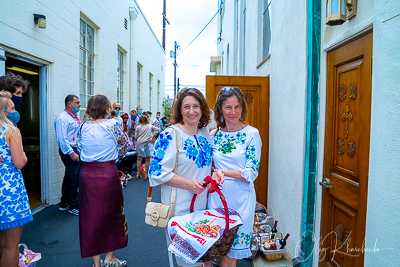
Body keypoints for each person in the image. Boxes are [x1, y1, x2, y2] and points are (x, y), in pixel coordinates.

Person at [149, 88, 213, 267]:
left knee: (203, 259)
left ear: (202, 109)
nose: (192, 111)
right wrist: (189, 184)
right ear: (180, 110)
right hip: (180, 210)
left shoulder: (205, 134)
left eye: (196, 106)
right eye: (186, 107)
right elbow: (155, 171)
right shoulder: (170, 134)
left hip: (204, 207)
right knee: (187, 262)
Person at [208, 86, 262, 267]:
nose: (233, 112)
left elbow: (251, 172)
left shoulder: (251, 134)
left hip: (241, 200)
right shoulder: (213, 135)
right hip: (217, 199)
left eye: (237, 107)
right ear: (220, 109)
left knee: (228, 258)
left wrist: (223, 172)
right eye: (228, 107)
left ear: (242, 108)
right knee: (212, 252)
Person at [77, 94, 128, 267]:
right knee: (112, 214)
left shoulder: (82, 126)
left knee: (90, 217)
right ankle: (110, 257)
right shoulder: (113, 124)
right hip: (107, 172)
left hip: (87, 173)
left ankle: (96, 263)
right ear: (107, 109)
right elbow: (124, 146)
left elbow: (79, 147)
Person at [0, 91, 32, 267]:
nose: (15, 111)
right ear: (4, 111)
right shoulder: (12, 130)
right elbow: (19, 163)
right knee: (10, 246)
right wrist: (24, 155)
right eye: (12, 108)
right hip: (8, 192)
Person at [54, 94, 82, 216]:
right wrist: (72, 153)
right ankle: (73, 205)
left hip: (75, 148)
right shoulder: (62, 117)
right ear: (69, 104)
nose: (79, 105)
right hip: (69, 150)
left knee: (69, 175)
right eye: (77, 102)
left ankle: (64, 202)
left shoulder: (74, 116)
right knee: (73, 178)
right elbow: (61, 138)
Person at [135, 115, 159, 179]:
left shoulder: (138, 127)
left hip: (139, 143)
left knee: (139, 158)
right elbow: (157, 130)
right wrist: (152, 136)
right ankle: (146, 174)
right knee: (147, 159)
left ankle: (138, 173)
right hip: (147, 143)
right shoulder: (150, 126)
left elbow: (136, 137)